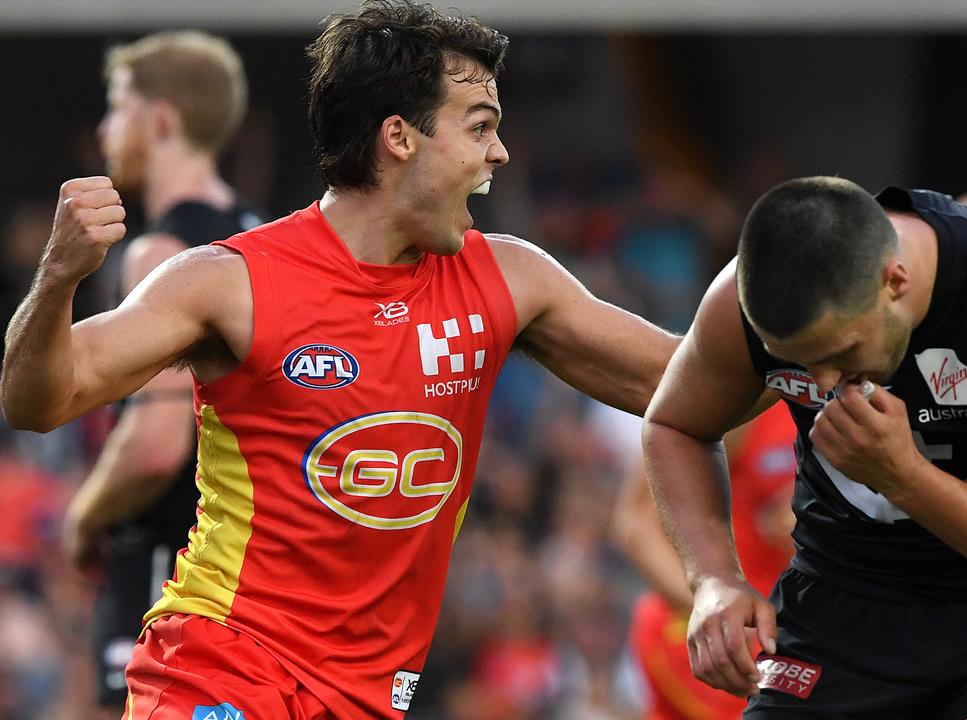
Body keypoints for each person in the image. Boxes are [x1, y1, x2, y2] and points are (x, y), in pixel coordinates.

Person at [0, 2, 678, 718]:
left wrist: (785, 326)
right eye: (480, 127)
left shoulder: (511, 281)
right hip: (222, 669)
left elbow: (693, 381)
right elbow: (37, 401)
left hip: (369, 699)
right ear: (399, 139)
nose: (499, 153)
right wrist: (57, 278)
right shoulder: (230, 280)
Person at [644, 176, 967, 719]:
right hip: (837, 610)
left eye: (840, 351)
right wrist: (713, 580)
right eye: (796, 360)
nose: (822, 385)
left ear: (894, 281)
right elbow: (675, 425)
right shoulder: (743, 299)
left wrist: (904, 477)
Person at [58, 31, 264, 719]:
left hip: (170, 562)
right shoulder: (262, 239)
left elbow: (155, 448)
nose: (104, 129)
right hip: (248, 573)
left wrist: (83, 518)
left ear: (162, 119)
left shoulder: (162, 254)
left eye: (118, 107)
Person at [613, 401, 795, 720]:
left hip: (795, 633)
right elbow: (637, 521)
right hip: (726, 635)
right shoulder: (748, 385)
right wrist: (714, 603)